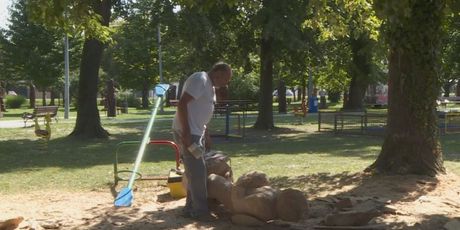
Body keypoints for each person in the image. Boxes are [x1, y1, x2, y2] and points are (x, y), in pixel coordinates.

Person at [172, 62, 232, 221]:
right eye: (226, 78)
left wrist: (206, 133)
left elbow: (199, 111)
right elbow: (182, 103)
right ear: (217, 73)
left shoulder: (210, 86)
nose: (227, 82)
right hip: (189, 133)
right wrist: (186, 132)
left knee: (194, 172)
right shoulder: (201, 79)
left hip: (196, 133)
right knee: (198, 173)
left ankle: (190, 208)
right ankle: (200, 211)